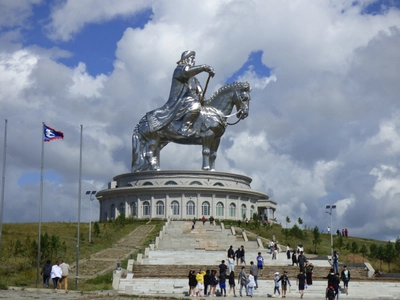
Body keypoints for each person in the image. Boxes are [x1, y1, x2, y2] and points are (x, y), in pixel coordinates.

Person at [146, 50, 215, 137]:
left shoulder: (194, 80)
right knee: (196, 106)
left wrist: (204, 100)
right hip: (180, 102)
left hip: (191, 102)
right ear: (185, 60)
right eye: (192, 58)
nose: (194, 61)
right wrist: (204, 67)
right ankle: (184, 127)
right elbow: (186, 72)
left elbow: (200, 93)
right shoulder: (179, 70)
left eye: (194, 59)